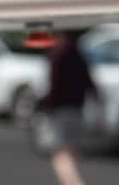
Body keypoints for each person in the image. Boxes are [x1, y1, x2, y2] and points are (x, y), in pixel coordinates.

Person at [39, 31, 96, 185]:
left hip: (61, 110)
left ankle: (72, 182)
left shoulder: (57, 56)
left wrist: (45, 105)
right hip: (77, 108)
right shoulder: (78, 55)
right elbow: (90, 82)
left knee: (60, 152)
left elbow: (54, 85)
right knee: (71, 150)